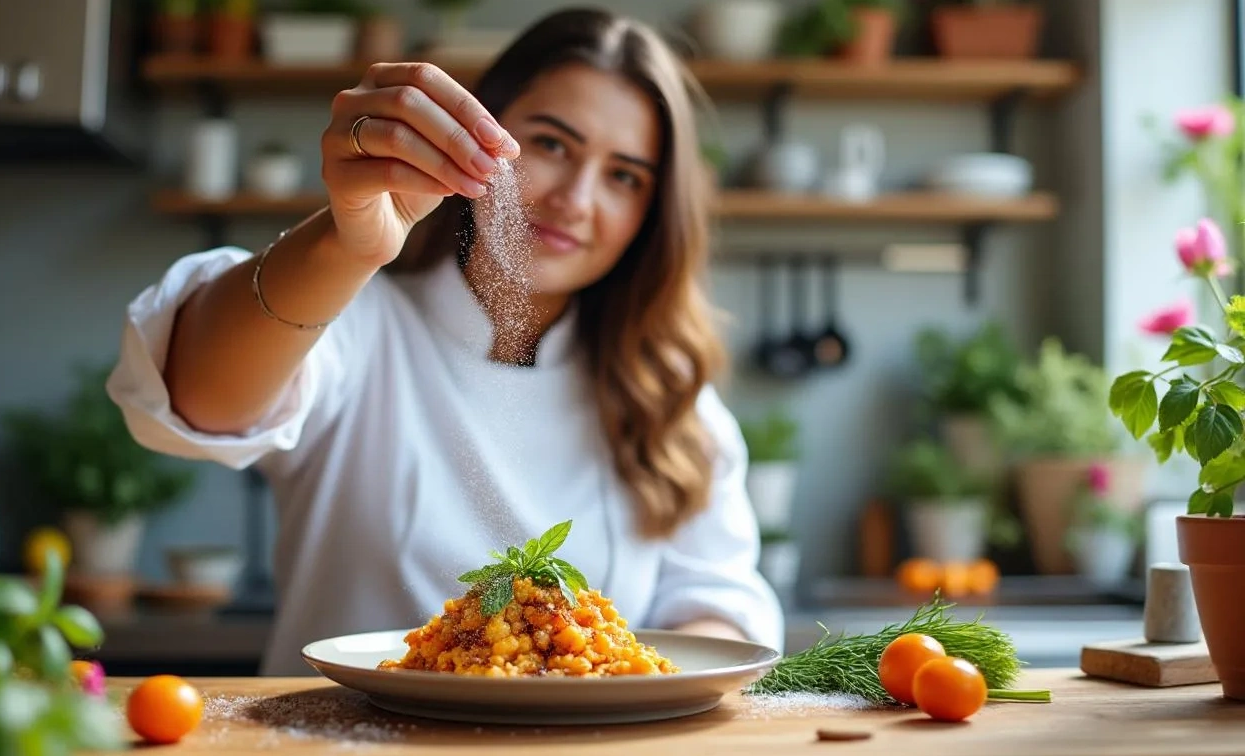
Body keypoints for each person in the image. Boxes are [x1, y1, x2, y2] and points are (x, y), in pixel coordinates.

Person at [106, 6, 785, 676]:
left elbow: (719, 601)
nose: (577, 197)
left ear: (651, 215)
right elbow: (196, 398)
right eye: (550, 144)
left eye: (624, 176)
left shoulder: (664, 393)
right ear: (474, 138)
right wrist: (347, 244)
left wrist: (620, 676)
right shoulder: (364, 324)